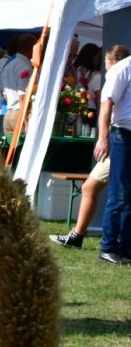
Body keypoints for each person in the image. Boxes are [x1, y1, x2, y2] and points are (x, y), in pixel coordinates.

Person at [50, 45, 131, 250]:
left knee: (112, 193)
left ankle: (86, 237)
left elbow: (106, 104)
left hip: (120, 139)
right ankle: (81, 235)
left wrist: (103, 138)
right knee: (95, 188)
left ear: (111, 61)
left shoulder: (118, 71)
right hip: (119, 138)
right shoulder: (122, 71)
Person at [93, 50, 131, 264]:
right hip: (123, 136)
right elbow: (106, 103)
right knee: (119, 195)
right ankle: (108, 247)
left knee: (128, 196)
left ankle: (126, 248)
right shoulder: (123, 68)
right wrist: (103, 138)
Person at [2, 33, 36, 134]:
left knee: (8, 149)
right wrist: (25, 118)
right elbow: (23, 95)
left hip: (8, 113)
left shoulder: (9, 63)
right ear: (32, 48)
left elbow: (5, 95)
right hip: (19, 114)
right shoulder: (25, 66)